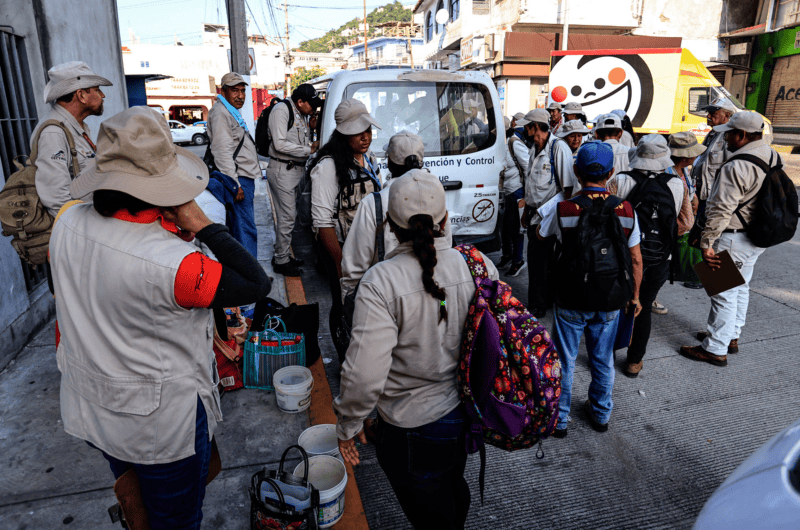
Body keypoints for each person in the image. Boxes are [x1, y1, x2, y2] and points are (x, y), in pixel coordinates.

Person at [49, 106, 271, 529]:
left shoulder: (66, 222)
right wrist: (202, 224)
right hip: (160, 427)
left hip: (94, 405)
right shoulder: (175, 264)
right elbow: (255, 283)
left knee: (136, 498)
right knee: (177, 517)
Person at [334, 170, 499, 530]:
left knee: (431, 513)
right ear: (444, 220)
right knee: (452, 490)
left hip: (409, 427)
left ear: (391, 226)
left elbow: (363, 375)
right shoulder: (477, 264)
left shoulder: (380, 281)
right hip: (465, 412)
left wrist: (348, 424)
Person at [537, 141, 643, 436]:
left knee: (565, 359)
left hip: (570, 296)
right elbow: (635, 258)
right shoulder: (626, 210)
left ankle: (559, 420)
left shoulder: (565, 208)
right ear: (610, 173)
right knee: (603, 358)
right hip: (610, 299)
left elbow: (540, 235)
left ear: (575, 171)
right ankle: (600, 414)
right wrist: (635, 297)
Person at [680, 112, 781, 366]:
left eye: (730, 133)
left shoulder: (736, 165)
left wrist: (707, 244)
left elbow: (719, 209)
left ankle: (715, 348)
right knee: (740, 286)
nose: (725, 137)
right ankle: (730, 336)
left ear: (742, 135)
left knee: (723, 292)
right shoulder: (772, 154)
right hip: (756, 236)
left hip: (732, 237)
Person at [340, 132, 452, 301]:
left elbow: (354, 267)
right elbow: (446, 245)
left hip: (386, 296)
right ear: (420, 163)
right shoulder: (435, 197)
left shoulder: (373, 203)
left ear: (390, 163)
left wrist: (349, 301)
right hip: (434, 294)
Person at [310, 98, 382, 361]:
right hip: (342, 252)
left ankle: (366, 357)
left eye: (368, 131)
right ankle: (346, 360)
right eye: (357, 132)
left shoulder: (370, 159)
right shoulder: (328, 167)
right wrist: (340, 262)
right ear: (342, 133)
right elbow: (322, 222)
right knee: (342, 306)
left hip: (370, 250)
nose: (365, 137)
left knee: (368, 305)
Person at [608, 137, 684, 377]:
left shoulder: (620, 180)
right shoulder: (676, 184)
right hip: (660, 258)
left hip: (624, 257)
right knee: (645, 305)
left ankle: (606, 355)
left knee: (616, 305)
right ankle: (634, 360)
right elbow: (681, 222)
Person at [33, 61, 112, 217]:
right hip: (77, 226)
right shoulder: (54, 133)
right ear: (81, 95)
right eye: (97, 90)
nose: (102, 95)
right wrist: (82, 232)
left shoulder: (76, 126)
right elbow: (56, 199)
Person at [518, 108, 576, 318]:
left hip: (548, 215)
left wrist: (560, 220)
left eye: (528, 126)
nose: (525, 129)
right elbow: (531, 184)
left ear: (537, 127)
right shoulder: (534, 147)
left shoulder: (558, 148)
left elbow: (567, 189)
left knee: (540, 261)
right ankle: (541, 300)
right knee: (537, 260)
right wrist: (526, 211)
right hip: (534, 212)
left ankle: (538, 304)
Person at [266, 83, 321, 276]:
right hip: (283, 170)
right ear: (300, 101)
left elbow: (300, 136)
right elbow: (279, 144)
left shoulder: (301, 113)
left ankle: (283, 254)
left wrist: (312, 127)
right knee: (287, 217)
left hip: (294, 170)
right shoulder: (281, 110)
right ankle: (281, 261)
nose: (314, 108)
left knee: (290, 216)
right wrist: (310, 150)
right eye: (311, 104)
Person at [206, 72, 261, 259]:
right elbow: (222, 152)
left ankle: (246, 274)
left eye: (243, 91)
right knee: (245, 229)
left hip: (243, 178)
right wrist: (234, 183)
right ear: (224, 91)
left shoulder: (229, 110)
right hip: (238, 180)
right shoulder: (221, 112)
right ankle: (252, 277)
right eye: (235, 91)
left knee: (240, 229)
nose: (240, 96)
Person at [667, 132, 705, 289]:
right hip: (680, 228)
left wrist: (694, 196)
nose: (696, 156)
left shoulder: (685, 170)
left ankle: (720, 285)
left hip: (688, 225)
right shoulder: (668, 174)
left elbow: (688, 189)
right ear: (684, 157)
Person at [498, 116, 529, 277]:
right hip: (506, 191)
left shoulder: (513, 143)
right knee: (505, 227)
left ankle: (518, 260)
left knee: (517, 228)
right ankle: (507, 255)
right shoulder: (500, 143)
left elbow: (527, 166)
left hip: (516, 190)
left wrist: (527, 194)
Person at [692, 98, 737, 204]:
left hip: (712, 196)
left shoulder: (728, 137)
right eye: (708, 113)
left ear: (726, 116)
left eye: (713, 113)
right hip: (701, 191)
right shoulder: (713, 133)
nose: (708, 116)